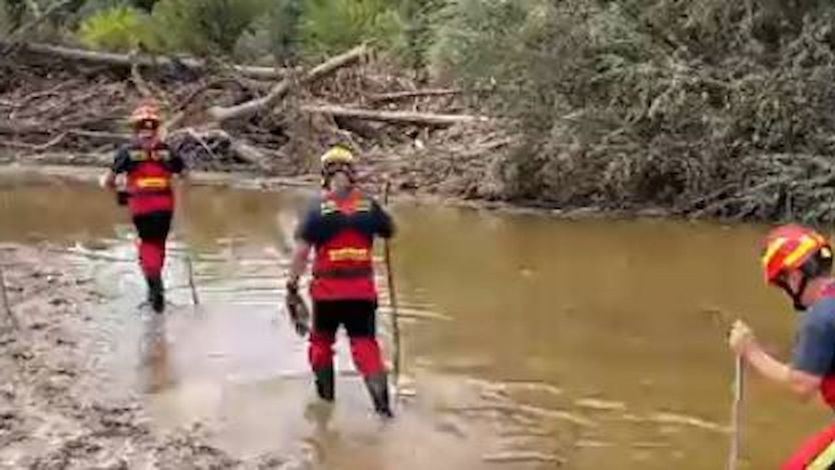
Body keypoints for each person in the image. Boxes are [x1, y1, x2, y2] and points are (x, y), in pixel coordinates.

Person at [286, 145, 396, 418]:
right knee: (366, 347)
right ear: (352, 173)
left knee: (321, 345)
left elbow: (301, 253)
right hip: (362, 293)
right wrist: (380, 213)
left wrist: (291, 286)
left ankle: (326, 405)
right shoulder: (369, 206)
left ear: (324, 174)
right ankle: (383, 411)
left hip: (327, 295)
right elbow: (389, 231)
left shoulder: (315, 210)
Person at [729, 223, 835, 469]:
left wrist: (751, 351)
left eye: (782, 282)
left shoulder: (820, 318)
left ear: (795, 277)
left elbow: (801, 385)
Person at [99, 99, 186, 313]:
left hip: (142, 207)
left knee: (147, 244)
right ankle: (154, 287)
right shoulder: (168, 151)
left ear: (136, 129)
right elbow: (184, 175)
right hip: (166, 206)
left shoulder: (127, 152)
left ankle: (155, 290)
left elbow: (109, 181)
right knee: (159, 244)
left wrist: (115, 189)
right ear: (156, 129)